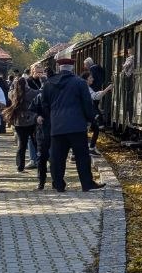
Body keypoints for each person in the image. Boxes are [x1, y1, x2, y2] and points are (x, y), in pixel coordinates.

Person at [39, 57, 103, 192]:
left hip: (57, 127)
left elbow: (44, 104)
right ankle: (86, 184)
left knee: (57, 157)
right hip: (77, 125)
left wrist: (52, 118)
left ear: (59, 68)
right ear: (72, 68)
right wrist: (91, 119)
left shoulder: (49, 84)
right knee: (82, 156)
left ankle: (58, 184)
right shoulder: (80, 83)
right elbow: (87, 103)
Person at [1, 76, 40, 175]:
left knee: (21, 145)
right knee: (36, 143)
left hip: (19, 122)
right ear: (26, 83)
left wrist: (13, 85)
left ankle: (20, 166)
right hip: (31, 120)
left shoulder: (13, 94)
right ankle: (40, 162)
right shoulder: (31, 93)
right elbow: (40, 92)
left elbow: (9, 91)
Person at [84, 56, 107, 155]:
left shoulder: (93, 69)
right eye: (90, 77)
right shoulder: (98, 67)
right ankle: (90, 148)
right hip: (96, 92)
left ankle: (87, 149)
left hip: (95, 92)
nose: (92, 78)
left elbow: (94, 96)